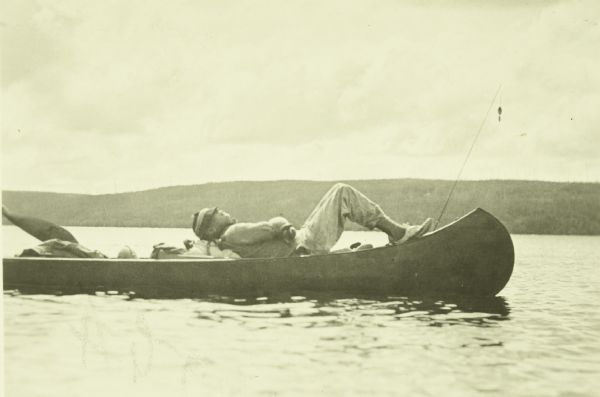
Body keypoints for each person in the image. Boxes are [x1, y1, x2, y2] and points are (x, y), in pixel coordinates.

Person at [192, 183, 433, 258]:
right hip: (303, 243)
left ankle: (395, 234)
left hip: (301, 244)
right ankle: (398, 233)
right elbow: (272, 227)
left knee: (336, 194)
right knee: (342, 192)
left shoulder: (227, 239)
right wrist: (283, 225)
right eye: (218, 213)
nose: (223, 212)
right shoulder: (233, 231)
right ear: (213, 225)